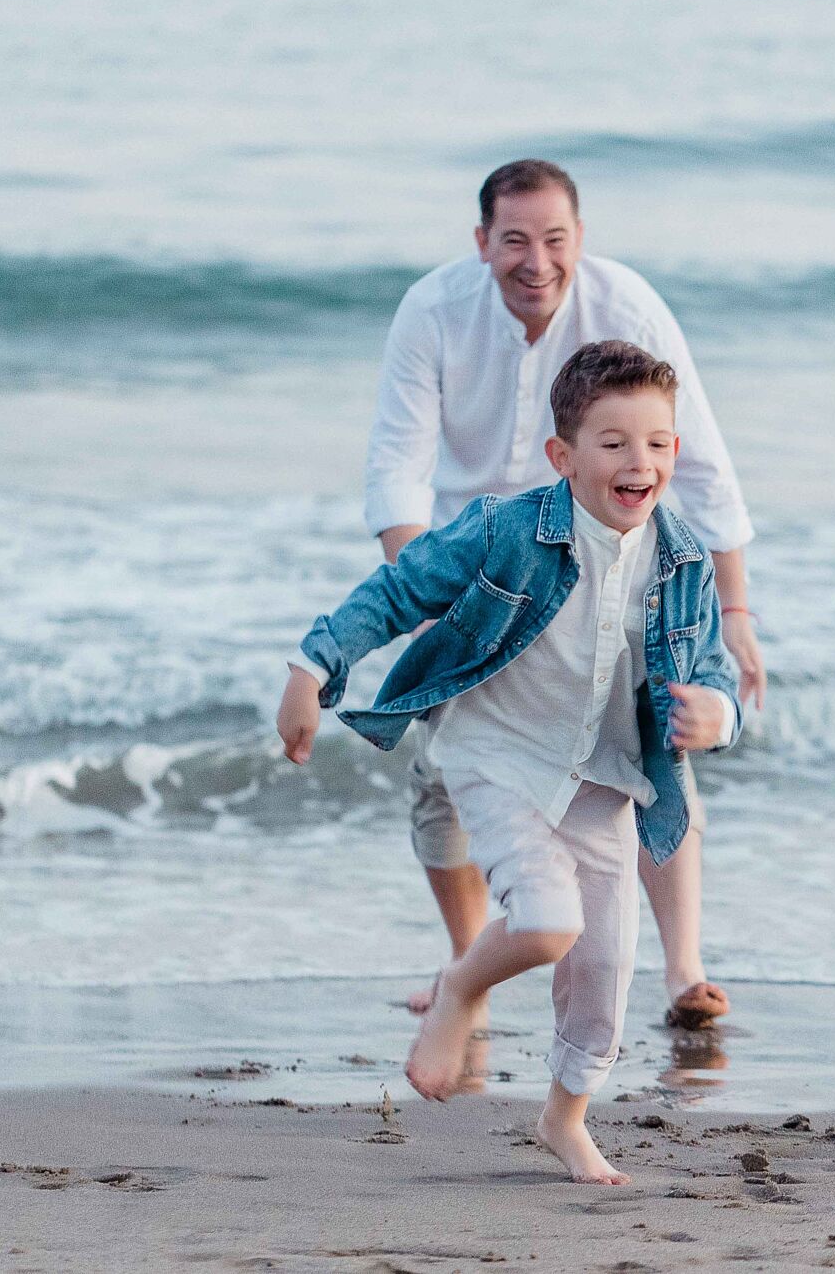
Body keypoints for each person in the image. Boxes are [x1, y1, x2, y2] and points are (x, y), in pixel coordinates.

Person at [277, 342, 743, 1183]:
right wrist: (313, 668)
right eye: (613, 442)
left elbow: (710, 671)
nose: (640, 461)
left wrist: (720, 712)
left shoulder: (684, 564)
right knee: (546, 919)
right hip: (494, 754)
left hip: (602, 779)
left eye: (658, 442)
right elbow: (399, 590)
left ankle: (563, 1119)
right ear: (563, 457)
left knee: (604, 970)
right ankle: (460, 987)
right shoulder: (505, 530)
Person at [364, 159, 763, 1029]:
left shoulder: (626, 309)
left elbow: (696, 460)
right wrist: (426, 599)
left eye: (554, 240)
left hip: (610, 556)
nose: (535, 261)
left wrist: (733, 611)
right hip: (479, 576)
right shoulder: (433, 311)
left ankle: (684, 972)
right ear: (482, 244)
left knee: (654, 744)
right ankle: (470, 960)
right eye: (514, 241)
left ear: (581, 241)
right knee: (442, 775)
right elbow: (398, 470)